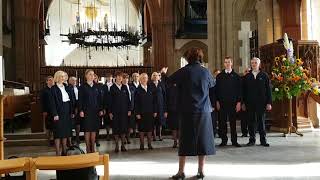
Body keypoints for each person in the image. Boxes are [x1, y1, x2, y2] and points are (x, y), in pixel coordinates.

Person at [167, 48, 215, 179]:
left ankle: (181, 171)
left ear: (188, 58)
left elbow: (169, 81)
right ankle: (201, 171)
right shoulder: (205, 71)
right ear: (200, 57)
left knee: (184, 141)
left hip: (188, 111)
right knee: (202, 141)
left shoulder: (184, 71)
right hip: (204, 111)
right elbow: (213, 83)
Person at [243, 57, 272, 147]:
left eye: (255, 63)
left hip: (262, 103)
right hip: (250, 103)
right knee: (251, 122)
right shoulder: (247, 76)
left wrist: (269, 102)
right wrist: (243, 103)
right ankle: (252, 140)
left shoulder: (264, 75)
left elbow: (268, 90)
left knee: (261, 121)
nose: (254, 64)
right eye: (252, 63)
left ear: (259, 64)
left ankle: (263, 140)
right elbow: (244, 91)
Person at [215, 56, 242, 147]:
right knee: (222, 123)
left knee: (233, 123)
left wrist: (239, 102)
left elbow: (239, 91)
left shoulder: (237, 77)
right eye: (225, 62)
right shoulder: (219, 76)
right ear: (224, 64)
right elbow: (217, 90)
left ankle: (234, 141)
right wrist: (217, 101)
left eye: (229, 62)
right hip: (222, 103)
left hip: (233, 103)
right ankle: (224, 140)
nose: (227, 64)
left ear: (232, 63)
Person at [49, 71, 74, 156]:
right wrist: (55, 114)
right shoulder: (53, 88)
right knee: (58, 133)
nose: (62, 78)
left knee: (65, 132)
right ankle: (57, 152)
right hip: (58, 112)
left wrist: (71, 112)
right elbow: (52, 102)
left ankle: (64, 150)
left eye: (63, 76)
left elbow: (71, 100)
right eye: (60, 77)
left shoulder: (66, 87)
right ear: (57, 78)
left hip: (66, 111)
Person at [78, 69, 104, 153]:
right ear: (86, 76)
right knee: (87, 130)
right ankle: (88, 147)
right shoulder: (82, 87)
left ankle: (93, 147)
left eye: (93, 74)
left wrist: (101, 109)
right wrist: (81, 110)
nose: (92, 76)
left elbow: (100, 99)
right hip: (86, 111)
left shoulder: (97, 86)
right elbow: (80, 100)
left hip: (95, 111)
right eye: (90, 74)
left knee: (93, 129)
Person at [108, 72, 132, 152]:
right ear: (115, 78)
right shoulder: (112, 88)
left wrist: (129, 109)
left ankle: (123, 145)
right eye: (118, 77)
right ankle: (117, 146)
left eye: (121, 77)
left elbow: (128, 100)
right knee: (116, 129)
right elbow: (110, 101)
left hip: (124, 112)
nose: (119, 78)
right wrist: (110, 112)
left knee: (123, 128)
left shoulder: (125, 87)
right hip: (115, 112)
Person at [134, 73, 157, 150]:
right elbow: (136, 102)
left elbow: (154, 101)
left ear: (147, 79)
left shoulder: (151, 88)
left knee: (150, 129)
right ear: (140, 80)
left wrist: (155, 111)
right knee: (141, 129)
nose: (144, 79)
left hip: (150, 112)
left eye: (146, 78)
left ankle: (149, 144)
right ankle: (142, 145)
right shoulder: (137, 90)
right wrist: (137, 113)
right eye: (143, 78)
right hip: (141, 113)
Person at [150, 72, 167, 141]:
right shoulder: (149, 84)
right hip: (152, 106)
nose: (155, 76)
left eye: (156, 75)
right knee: (153, 122)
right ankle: (154, 136)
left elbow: (165, 96)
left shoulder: (161, 84)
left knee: (160, 122)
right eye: (154, 75)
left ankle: (159, 135)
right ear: (152, 77)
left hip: (161, 106)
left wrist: (165, 110)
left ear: (159, 77)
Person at [40, 76, 55, 146]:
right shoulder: (44, 91)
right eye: (49, 80)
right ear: (46, 82)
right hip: (47, 111)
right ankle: (48, 141)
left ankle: (53, 140)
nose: (51, 81)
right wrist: (44, 111)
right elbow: (42, 102)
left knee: (54, 126)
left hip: (54, 111)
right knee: (48, 127)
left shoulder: (55, 89)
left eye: (52, 80)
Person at [122, 73, 135, 144]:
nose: (125, 79)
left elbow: (134, 98)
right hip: (124, 109)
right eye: (124, 78)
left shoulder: (131, 87)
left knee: (130, 124)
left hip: (132, 108)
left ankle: (128, 137)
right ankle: (123, 139)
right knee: (124, 124)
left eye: (127, 78)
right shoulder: (121, 87)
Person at [68, 76, 81, 145]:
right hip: (71, 108)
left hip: (78, 108)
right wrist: (73, 110)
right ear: (69, 81)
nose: (74, 82)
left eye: (75, 81)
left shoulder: (78, 88)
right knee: (71, 125)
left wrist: (78, 108)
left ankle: (77, 137)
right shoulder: (68, 88)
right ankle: (71, 139)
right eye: (72, 80)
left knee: (78, 124)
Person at [166, 82, 179, 148]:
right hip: (172, 110)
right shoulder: (169, 88)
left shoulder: (182, 87)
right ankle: (175, 142)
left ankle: (180, 142)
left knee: (180, 127)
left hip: (180, 110)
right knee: (174, 127)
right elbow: (167, 99)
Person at [94, 74, 104, 147]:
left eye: (95, 77)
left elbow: (102, 98)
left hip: (99, 108)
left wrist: (102, 109)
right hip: (91, 109)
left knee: (97, 126)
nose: (94, 78)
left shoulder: (100, 86)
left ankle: (97, 139)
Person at [129, 72, 140, 137]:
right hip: (132, 105)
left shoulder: (141, 85)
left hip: (139, 105)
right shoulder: (130, 86)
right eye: (134, 76)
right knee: (132, 120)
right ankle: (134, 132)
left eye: (137, 76)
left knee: (139, 120)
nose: (136, 77)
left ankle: (139, 131)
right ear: (132, 78)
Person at [103, 73, 114, 141]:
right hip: (106, 106)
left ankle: (113, 134)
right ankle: (107, 134)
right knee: (107, 121)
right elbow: (102, 97)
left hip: (114, 106)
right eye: (108, 77)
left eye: (110, 77)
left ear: (112, 78)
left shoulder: (114, 85)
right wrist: (103, 107)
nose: (109, 78)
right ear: (106, 78)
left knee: (114, 121)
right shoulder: (103, 86)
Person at [240, 68, 250, 137]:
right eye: (246, 71)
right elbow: (241, 92)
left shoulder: (253, 78)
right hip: (243, 101)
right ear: (244, 72)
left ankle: (252, 132)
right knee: (243, 119)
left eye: (248, 71)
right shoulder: (241, 80)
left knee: (251, 119)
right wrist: (242, 103)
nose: (247, 72)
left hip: (251, 102)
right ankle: (244, 132)